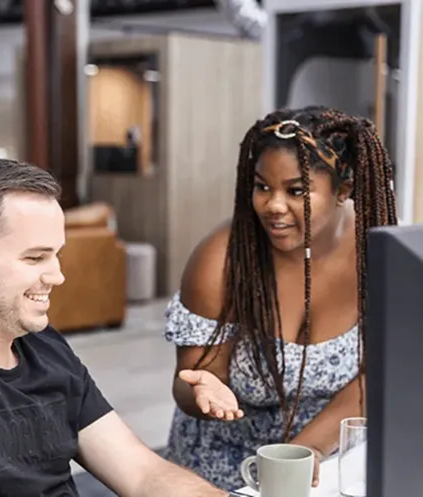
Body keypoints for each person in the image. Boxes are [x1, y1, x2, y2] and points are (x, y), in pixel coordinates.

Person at [0, 156, 229, 497]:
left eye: (57, 255)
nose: (57, 276)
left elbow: (141, 473)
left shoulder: (43, 345)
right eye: (35, 258)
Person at [162, 106, 398, 491]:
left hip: (326, 458)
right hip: (224, 467)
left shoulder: (375, 251)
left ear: (343, 190)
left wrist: (303, 453)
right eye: (261, 186)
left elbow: (374, 378)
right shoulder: (220, 261)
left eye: (296, 190)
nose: (273, 205)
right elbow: (188, 382)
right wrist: (201, 390)